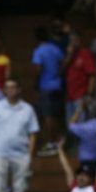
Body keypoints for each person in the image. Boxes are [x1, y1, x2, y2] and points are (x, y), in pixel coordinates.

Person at [32, 26, 64, 156]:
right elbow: (62, 64)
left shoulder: (39, 51)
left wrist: (36, 83)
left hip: (46, 87)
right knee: (56, 115)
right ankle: (57, 140)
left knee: (48, 116)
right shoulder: (55, 49)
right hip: (58, 86)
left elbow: (38, 69)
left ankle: (53, 142)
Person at [68, 100, 96, 171]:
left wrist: (79, 109)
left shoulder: (85, 127)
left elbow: (70, 125)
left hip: (86, 159)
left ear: (91, 112)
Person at [64, 32, 96, 123]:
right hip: (69, 96)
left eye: (76, 40)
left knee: (81, 124)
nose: (74, 42)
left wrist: (89, 94)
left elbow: (92, 75)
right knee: (70, 125)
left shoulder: (85, 54)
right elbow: (62, 70)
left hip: (81, 96)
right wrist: (69, 55)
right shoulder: (68, 55)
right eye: (71, 41)